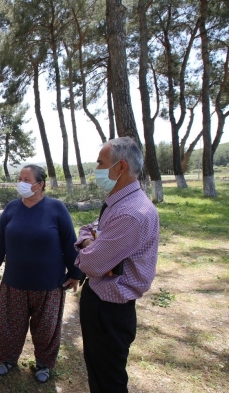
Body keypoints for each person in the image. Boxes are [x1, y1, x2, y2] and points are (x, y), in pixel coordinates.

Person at [75, 137, 159, 393]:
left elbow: (89, 263)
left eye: (101, 163)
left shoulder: (132, 213)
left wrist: (92, 248)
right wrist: (95, 242)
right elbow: (87, 229)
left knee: (108, 380)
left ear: (120, 167)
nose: (97, 168)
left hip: (109, 309)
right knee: (99, 371)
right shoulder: (121, 202)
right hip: (103, 301)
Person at [0, 164, 83, 384]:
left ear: (40, 185)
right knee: (9, 325)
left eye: (26, 179)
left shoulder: (56, 208)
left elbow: (71, 242)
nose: (21, 183)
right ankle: (8, 360)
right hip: (14, 282)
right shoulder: (12, 208)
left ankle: (44, 364)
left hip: (49, 284)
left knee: (46, 328)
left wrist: (76, 273)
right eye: (20, 178)